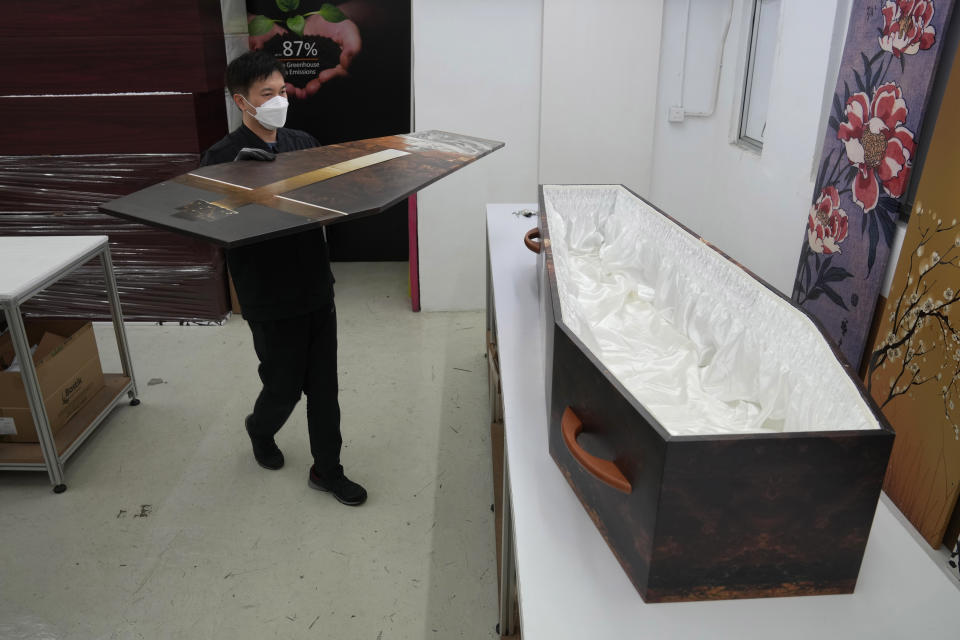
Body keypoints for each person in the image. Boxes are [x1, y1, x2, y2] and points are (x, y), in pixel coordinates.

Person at [200, 50, 366, 506]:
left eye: (281, 91)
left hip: (314, 283)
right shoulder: (221, 158)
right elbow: (212, 226)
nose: (278, 100)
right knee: (284, 386)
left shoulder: (302, 142)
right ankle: (260, 427)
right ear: (242, 101)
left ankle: (327, 470)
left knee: (325, 388)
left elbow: (326, 200)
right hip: (268, 294)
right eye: (266, 94)